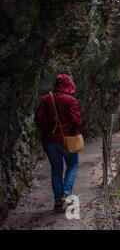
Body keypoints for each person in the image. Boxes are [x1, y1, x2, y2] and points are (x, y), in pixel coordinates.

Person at [34, 74, 82, 213]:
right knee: (72, 165)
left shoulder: (46, 99)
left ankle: (57, 202)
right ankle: (66, 193)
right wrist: (74, 132)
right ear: (69, 84)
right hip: (68, 141)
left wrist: (48, 130)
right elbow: (76, 120)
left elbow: (38, 118)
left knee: (56, 170)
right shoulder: (71, 100)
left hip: (50, 142)